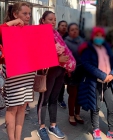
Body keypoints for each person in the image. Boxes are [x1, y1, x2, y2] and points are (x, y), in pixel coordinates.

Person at [0, 2, 35, 140]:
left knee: (22, 106)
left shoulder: (30, 30)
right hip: (13, 73)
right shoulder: (7, 29)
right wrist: (13, 22)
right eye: (24, 13)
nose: (28, 16)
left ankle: (18, 137)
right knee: (12, 108)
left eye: (29, 13)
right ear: (15, 14)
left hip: (28, 73)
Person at [78, 27, 113, 140]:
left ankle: (112, 131)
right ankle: (96, 130)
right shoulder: (88, 49)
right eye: (97, 35)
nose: (99, 38)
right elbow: (86, 64)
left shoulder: (107, 48)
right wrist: (103, 76)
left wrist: (112, 75)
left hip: (109, 82)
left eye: (101, 36)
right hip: (95, 83)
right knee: (95, 108)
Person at [37, 11, 76, 140]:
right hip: (48, 72)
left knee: (54, 99)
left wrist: (66, 62)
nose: (53, 22)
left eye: (54, 19)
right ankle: (41, 127)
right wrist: (59, 59)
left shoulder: (56, 34)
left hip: (59, 71)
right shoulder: (40, 33)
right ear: (43, 20)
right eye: (50, 19)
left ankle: (53, 125)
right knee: (44, 100)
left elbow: (64, 50)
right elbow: (40, 54)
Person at [64, 23, 85, 126]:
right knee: (73, 94)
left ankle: (78, 114)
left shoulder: (82, 41)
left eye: (76, 29)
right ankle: (71, 115)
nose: (74, 31)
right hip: (71, 72)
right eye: (72, 30)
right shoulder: (65, 42)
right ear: (69, 31)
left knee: (79, 94)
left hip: (82, 71)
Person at [57, 20, 68, 109]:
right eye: (62, 25)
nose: (64, 27)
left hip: (65, 64)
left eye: (65, 26)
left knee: (62, 83)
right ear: (58, 26)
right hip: (55, 63)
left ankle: (60, 99)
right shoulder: (55, 36)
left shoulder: (68, 37)